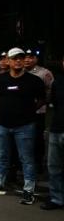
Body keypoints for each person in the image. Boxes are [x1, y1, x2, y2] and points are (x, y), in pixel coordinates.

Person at [0, 47, 45, 205]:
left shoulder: (34, 81)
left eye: (21, 58)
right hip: (3, 124)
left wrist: (29, 111)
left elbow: (42, 99)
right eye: (15, 58)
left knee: (27, 159)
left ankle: (29, 190)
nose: (18, 61)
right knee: (2, 156)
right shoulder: (1, 79)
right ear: (8, 61)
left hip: (25, 126)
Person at [24, 48, 54, 173]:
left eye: (31, 57)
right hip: (22, 112)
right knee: (24, 139)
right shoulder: (19, 71)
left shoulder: (44, 73)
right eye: (25, 57)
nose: (27, 60)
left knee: (36, 139)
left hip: (38, 112)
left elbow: (51, 91)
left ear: (36, 59)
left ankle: (38, 165)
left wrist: (39, 103)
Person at [42, 54, 64, 210]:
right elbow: (54, 103)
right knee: (54, 166)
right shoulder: (58, 81)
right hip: (56, 128)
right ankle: (57, 198)